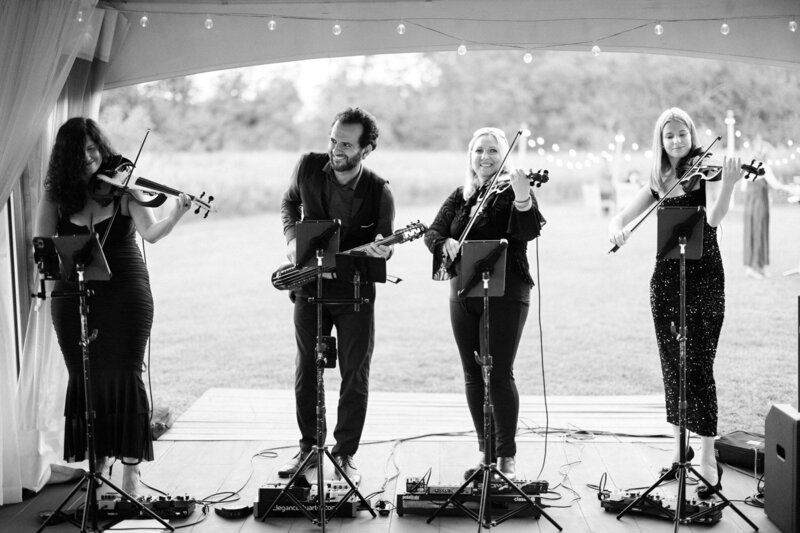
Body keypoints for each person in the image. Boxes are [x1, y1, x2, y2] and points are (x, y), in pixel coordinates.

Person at [34, 117, 192, 497]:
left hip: (125, 292)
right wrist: (50, 280)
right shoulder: (57, 195)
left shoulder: (124, 189)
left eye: (94, 149)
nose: (90, 157)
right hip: (73, 296)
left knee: (124, 374)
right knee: (85, 378)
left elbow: (151, 233)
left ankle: (131, 473)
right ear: (66, 158)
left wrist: (176, 212)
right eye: (81, 151)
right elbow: (43, 246)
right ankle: (98, 466)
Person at [608, 107, 743, 498]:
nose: (677, 141)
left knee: (699, 364)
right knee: (673, 366)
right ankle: (677, 450)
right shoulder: (659, 180)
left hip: (704, 278)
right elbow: (620, 217)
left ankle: (706, 458)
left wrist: (731, 183)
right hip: (666, 281)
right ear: (660, 140)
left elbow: (714, 219)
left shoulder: (707, 172)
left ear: (691, 134)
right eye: (669, 136)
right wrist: (617, 232)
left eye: (682, 134)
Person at [278, 107, 394, 484]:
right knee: (306, 369)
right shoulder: (307, 166)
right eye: (333, 140)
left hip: (356, 292)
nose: (335, 149)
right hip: (309, 287)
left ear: (367, 148)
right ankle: (310, 448)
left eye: (346, 144)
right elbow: (289, 202)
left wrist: (383, 248)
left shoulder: (380, 190)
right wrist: (292, 238)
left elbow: (386, 240)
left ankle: (345, 454)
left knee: (354, 374)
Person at [424, 127, 545, 480]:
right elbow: (433, 231)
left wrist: (523, 198)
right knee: (473, 374)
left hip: (507, 292)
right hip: (463, 292)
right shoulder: (461, 196)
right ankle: (486, 453)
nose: (486, 157)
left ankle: (506, 457)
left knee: (498, 372)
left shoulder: (513, 191)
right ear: (470, 156)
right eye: (479, 151)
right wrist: (443, 242)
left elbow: (528, 231)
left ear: (504, 155)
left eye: (493, 151)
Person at [742, 136, 790, 279]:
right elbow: (775, 185)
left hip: (749, 205)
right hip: (760, 205)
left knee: (751, 232)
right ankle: (758, 267)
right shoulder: (764, 167)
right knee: (760, 232)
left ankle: (753, 267)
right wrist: (788, 188)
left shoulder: (748, 167)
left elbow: (744, 188)